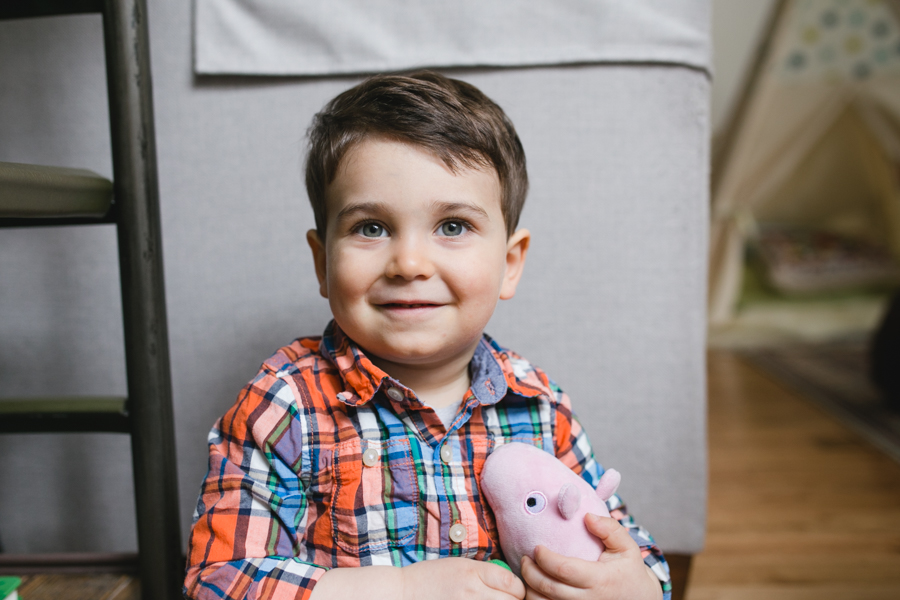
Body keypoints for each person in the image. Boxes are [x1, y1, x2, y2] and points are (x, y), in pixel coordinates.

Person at [184, 71, 671, 600]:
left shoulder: (538, 404)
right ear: (322, 263)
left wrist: (636, 586)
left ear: (510, 264)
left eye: (453, 226)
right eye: (371, 227)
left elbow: (619, 539)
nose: (410, 263)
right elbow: (220, 581)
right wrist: (398, 589)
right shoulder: (284, 405)